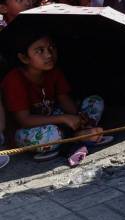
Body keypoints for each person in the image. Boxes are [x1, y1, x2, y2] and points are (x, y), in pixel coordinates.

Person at [2, 30, 109, 165]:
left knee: (95, 101)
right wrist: (64, 119)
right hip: (27, 130)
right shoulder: (14, 79)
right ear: (24, 58)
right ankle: (78, 136)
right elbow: (24, 120)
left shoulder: (54, 71)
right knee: (51, 134)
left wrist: (80, 118)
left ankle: (83, 131)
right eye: (40, 51)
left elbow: (64, 100)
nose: (49, 54)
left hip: (55, 118)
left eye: (51, 47)